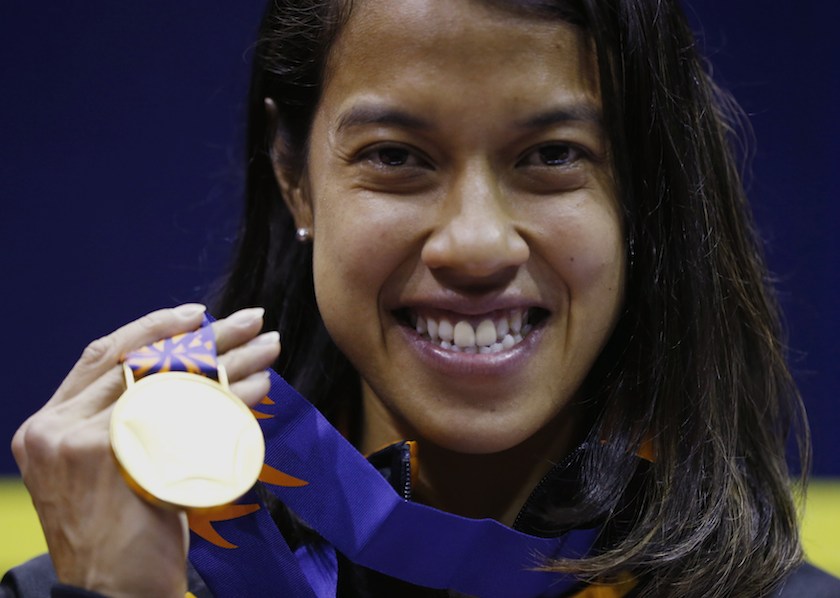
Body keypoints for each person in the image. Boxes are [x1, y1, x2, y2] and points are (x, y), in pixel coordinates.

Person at [4, 0, 840, 596]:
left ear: (642, 190)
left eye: (551, 155)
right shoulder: (103, 585)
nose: (475, 244)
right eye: (397, 155)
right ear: (294, 179)